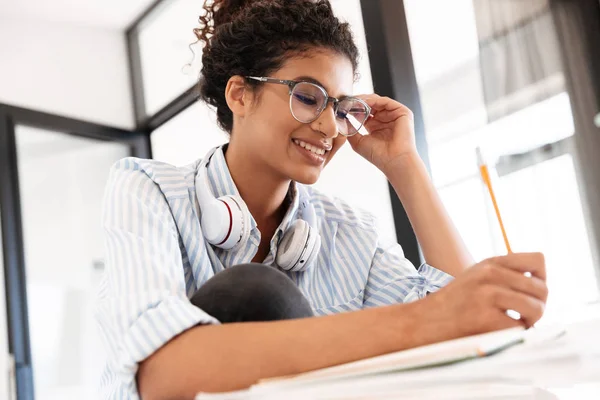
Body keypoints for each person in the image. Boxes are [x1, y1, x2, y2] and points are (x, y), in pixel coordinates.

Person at [95, 0, 548, 399]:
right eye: (308, 97)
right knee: (256, 293)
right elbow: (162, 372)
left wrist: (405, 166)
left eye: (342, 108)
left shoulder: (349, 232)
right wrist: (423, 322)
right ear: (240, 95)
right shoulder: (149, 191)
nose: (331, 128)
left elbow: (465, 336)